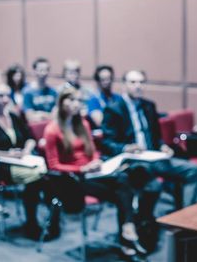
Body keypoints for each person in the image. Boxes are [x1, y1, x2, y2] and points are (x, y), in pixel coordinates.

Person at [43, 88, 146, 256]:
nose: (76, 104)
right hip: (72, 179)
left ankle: (127, 234)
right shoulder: (52, 130)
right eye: (71, 100)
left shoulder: (83, 123)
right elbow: (53, 165)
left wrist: (96, 161)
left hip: (93, 173)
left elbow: (92, 150)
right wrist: (81, 168)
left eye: (78, 100)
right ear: (61, 103)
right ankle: (127, 237)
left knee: (123, 179)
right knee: (122, 193)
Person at [102, 70, 197, 210]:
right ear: (123, 85)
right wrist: (125, 148)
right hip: (133, 160)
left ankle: (186, 218)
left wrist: (163, 146)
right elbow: (107, 143)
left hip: (154, 156)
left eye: (141, 82)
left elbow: (157, 136)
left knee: (194, 170)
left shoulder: (149, 105)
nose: (138, 86)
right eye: (133, 82)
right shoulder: (113, 109)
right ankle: (144, 223)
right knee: (152, 185)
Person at [0, 82, 57, 239]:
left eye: (7, 95)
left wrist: (26, 149)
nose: (5, 99)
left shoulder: (12, 116)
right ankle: (33, 222)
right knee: (39, 178)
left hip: (21, 160)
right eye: (0, 95)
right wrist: (7, 154)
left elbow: (30, 138)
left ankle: (49, 216)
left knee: (46, 174)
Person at [22, 58, 57, 122]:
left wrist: (40, 114)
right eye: (41, 70)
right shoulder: (28, 92)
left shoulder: (53, 91)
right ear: (34, 71)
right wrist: (48, 115)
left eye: (46, 70)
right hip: (35, 129)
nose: (44, 73)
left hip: (50, 127)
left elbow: (55, 115)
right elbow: (30, 117)